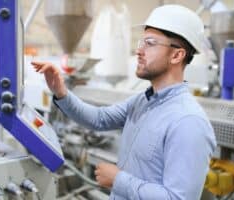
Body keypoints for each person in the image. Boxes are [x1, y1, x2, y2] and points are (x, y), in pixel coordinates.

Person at [32, 4, 216, 200]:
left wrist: (118, 180)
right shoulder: (142, 101)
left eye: (150, 43)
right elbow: (99, 119)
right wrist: (61, 92)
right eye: (141, 43)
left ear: (177, 55)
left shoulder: (188, 122)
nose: (139, 51)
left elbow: (179, 198)